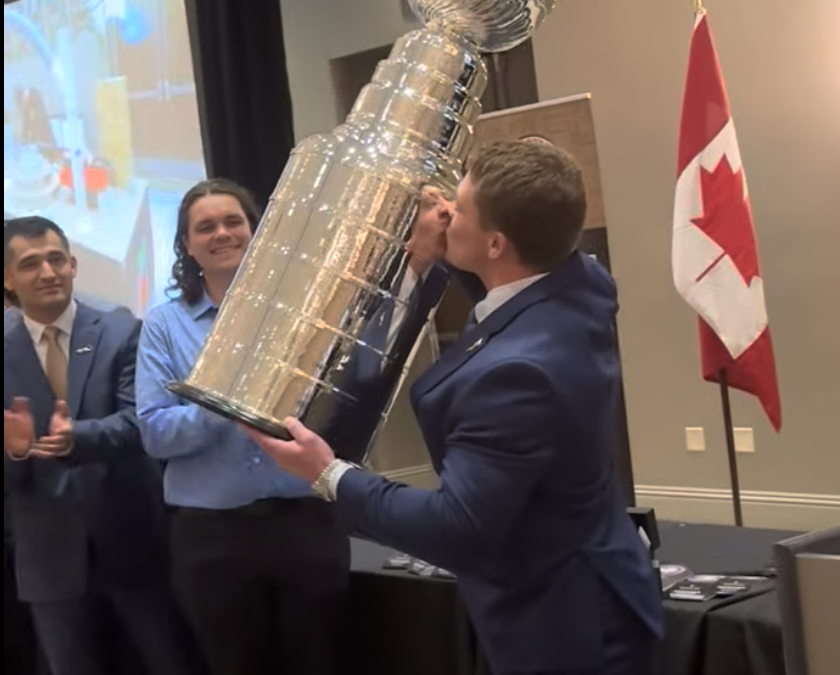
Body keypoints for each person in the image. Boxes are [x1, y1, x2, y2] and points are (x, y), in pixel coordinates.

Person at [247, 140, 665, 675]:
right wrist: (432, 254)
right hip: (598, 582)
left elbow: (456, 527)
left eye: (459, 209)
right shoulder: (583, 283)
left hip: (563, 622)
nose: (446, 214)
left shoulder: (516, 376)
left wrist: (329, 475)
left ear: (495, 243)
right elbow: (509, 287)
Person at [135, 179, 351, 675]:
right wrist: (230, 404)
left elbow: (339, 411)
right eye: (205, 227)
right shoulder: (164, 326)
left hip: (306, 526)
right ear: (187, 245)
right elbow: (155, 434)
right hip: (213, 540)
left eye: (234, 221)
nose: (222, 233)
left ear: (256, 231)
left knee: (318, 663)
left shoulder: (306, 313)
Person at [3, 216, 202, 675]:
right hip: (48, 554)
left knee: (170, 660)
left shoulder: (121, 330)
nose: (48, 272)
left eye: (56, 259)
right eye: (31, 264)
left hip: (132, 539)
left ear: (74, 265)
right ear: (8, 279)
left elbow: (140, 422)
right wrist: (14, 451)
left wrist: (77, 437)